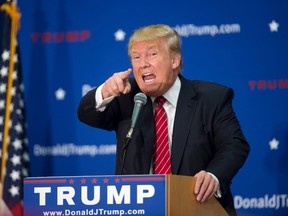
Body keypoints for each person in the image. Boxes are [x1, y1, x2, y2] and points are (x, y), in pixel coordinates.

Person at [77, 24, 250, 215]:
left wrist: (214, 175)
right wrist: (105, 91)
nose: (143, 64)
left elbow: (234, 145)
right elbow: (86, 114)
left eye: (151, 54)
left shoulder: (211, 98)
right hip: (139, 209)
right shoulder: (126, 97)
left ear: (175, 60)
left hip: (198, 207)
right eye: (136, 57)